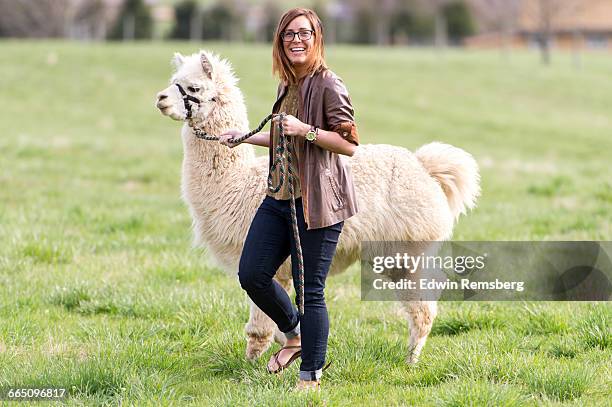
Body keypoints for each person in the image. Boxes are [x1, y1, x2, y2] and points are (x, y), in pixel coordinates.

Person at [219, 7, 360, 391]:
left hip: (318, 205)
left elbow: (347, 144)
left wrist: (307, 130)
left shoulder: (330, 84)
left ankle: (310, 377)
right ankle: (294, 333)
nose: (296, 40)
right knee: (251, 273)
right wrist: (245, 137)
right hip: (279, 197)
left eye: (304, 34)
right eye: (289, 35)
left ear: (316, 39)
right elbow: (285, 137)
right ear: (280, 42)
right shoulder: (287, 84)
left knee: (309, 289)